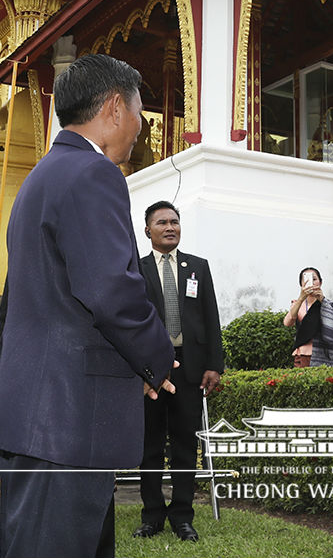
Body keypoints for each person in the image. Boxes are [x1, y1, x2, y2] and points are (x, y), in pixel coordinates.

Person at [0, 54, 176, 558]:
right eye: (140, 113)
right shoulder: (94, 174)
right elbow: (113, 290)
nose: (141, 128)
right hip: (65, 417)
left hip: (39, 412)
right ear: (114, 108)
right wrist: (157, 358)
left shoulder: (45, 175)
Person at [134, 201, 224, 543]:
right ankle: (152, 516)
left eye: (174, 222)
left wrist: (215, 364)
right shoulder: (136, 269)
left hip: (190, 367)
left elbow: (211, 316)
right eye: (162, 223)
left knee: (186, 445)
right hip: (151, 368)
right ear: (148, 231)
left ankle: (183, 517)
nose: (170, 227)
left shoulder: (197, 267)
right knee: (150, 445)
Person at [283, 267, 333, 367]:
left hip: (323, 355)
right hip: (302, 354)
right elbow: (287, 323)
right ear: (301, 284)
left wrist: (322, 300)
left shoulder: (328, 305)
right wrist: (301, 298)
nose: (311, 282)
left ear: (320, 282)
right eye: (306, 280)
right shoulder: (298, 304)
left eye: (314, 279)